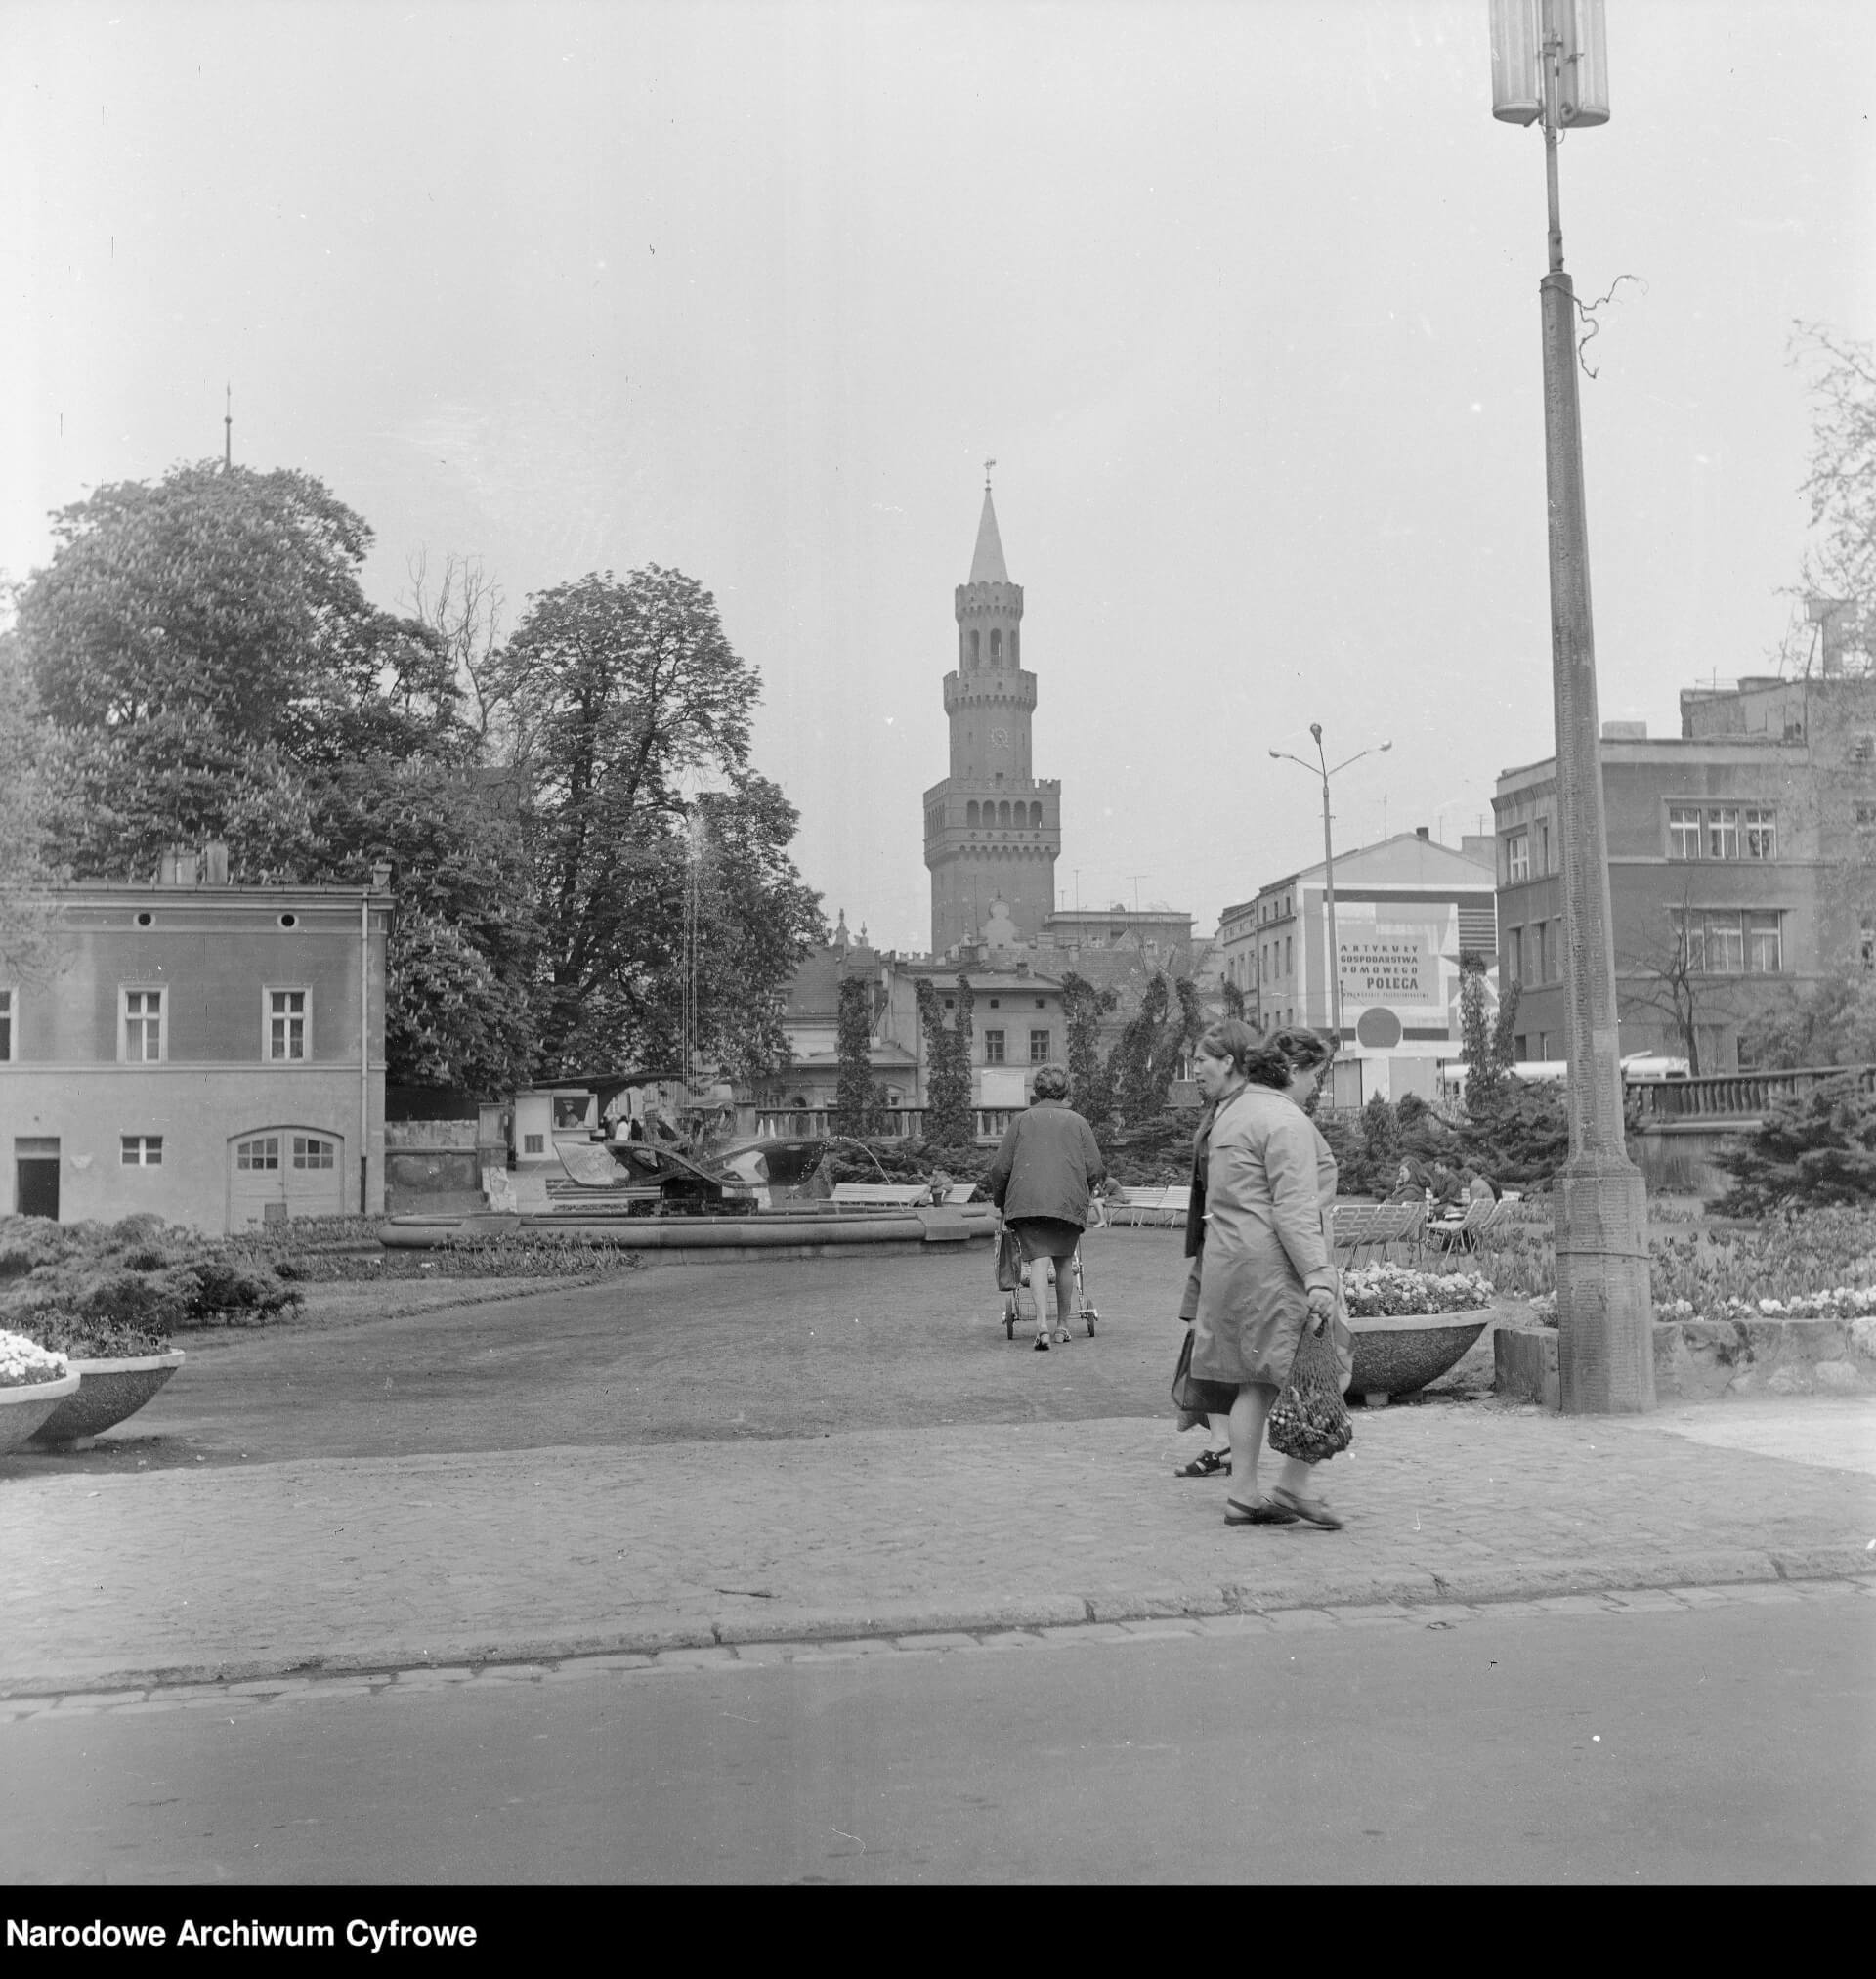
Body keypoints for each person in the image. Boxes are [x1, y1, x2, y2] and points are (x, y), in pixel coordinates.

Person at [1186, 1022, 1354, 1529]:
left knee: (1253, 1383)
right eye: (1316, 1076)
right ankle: (1294, 1485)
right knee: (1329, 1367)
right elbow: (1295, 1210)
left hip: (1230, 1263)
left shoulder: (1230, 1114)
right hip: (1279, 1268)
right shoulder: (1286, 1121)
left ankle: (1243, 1496)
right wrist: (1320, 1278)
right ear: (1295, 1070)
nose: (1315, 1088)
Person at [985, 1064, 1106, 1352]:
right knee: (1065, 1261)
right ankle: (1062, 1326)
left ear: (1036, 1091)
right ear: (1066, 1090)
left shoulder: (1021, 1121)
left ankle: (1041, 1326)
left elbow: (1000, 1168)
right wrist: (1084, 1189)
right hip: (1067, 1202)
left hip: (1028, 1203)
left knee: (1038, 1261)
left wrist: (1000, 1201)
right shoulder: (1079, 1122)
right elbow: (1096, 1167)